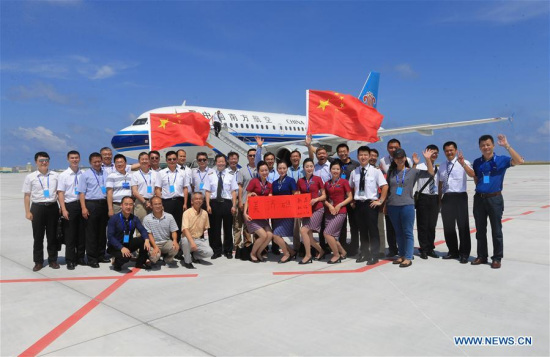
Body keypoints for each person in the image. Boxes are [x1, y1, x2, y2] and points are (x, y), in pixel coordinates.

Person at [471, 134, 523, 269]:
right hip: (479, 199)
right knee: (480, 230)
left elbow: (519, 161)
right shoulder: (477, 162)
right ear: (479, 147)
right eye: (482, 145)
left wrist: (507, 145)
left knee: (496, 230)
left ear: (493, 145)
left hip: (495, 199)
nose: (485, 147)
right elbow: (477, 178)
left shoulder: (501, 160)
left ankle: (497, 258)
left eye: (488, 144)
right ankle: (482, 256)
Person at [386, 148, 435, 268]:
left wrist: (427, 159)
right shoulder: (391, 172)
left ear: (404, 158)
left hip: (407, 205)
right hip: (392, 206)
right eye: (397, 158)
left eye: (401, 157)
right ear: (394, 159)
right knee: (398, 232)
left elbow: (430, 173)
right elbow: (388, 189)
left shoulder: (412, 171)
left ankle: (408, 257)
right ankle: (401, 255)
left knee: (407, 232)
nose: (399, 160)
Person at [349, 146, 388, 265]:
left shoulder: (375, 171)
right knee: (362, 231)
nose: (363, 157)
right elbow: (351, 187)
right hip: (359, 205)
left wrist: (380, 201)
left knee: (373, 231)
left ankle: (374, 255)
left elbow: (384, 186)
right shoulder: (354, 172)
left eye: (365, 155)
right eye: (361, 155)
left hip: (370, 204)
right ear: (357, 156)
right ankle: (365, 253)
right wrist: (352, 200)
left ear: (369, 156)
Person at [438, 141, 475, 264]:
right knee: (448, 227)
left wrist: (463, 163)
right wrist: (439, 199)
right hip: (447, 197)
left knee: (462, 226)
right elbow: (440, 183)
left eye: (451, 150)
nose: (449, 152)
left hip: (460, 197)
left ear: (455, 150)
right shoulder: (442, 166)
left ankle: (464, 253)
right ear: (444, 152)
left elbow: (472, 174)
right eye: (447, 151)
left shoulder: (464, 162)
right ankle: (453, 251)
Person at [23, 152, 60, 272]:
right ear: (36, 162)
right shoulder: (30, 177)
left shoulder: (55, 175)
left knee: (52, 235)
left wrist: (61, 207)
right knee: (38, 236)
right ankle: (38, 262)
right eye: (41, 160)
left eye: (46, 160)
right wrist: (27, 211)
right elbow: (27, 195)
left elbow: (59, 193)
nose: (44, 162)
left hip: (52, 207)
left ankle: (53, 260)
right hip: (38, 208)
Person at [379, 138, 413, 258]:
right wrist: (385, 203)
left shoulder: (407, 159)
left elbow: (411, 177)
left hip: (405, 200)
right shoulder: (383, 161)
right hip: (392, 200)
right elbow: (385, 182)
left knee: (406, 230)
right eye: (391, 147)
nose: (393, 150)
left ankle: (408, 254)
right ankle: (394, 250)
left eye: (396, 147)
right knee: (392, 228)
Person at [78, 152, 110, 268]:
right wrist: (83, 208)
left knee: (102, 232)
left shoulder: (105, 173)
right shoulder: (85, 175)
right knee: (91, 233)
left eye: (99, 161)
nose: (97, 164)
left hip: (103, 204)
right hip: (91, 204)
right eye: (94, 162)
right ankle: (92, 258)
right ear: (90, 163)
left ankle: (101, 255)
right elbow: (82, 193)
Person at [204, 154, 238, 259]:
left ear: (226, 162)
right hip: (214, 203)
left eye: (223, 161)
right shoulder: (210, 174)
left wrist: (233, 205)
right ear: (215, 162)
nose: (221, 163)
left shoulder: (231, 174)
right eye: (219, 161)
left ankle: (228, 250)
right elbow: (208, 191)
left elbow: (233, 191)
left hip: (227, 203)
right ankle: (217, 250)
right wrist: (208, 204)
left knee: (227, 228)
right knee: (215, 228)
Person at [57, 150, 85, 270]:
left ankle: (80, 257)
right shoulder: (63, 175)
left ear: (79, 159)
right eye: (72, 158)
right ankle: (70, 259)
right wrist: (63, 209)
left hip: (82, 204)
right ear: (68, 159)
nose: (74, 160)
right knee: (70, 234)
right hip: (70, 206)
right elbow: (60, 193)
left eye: (76, 158)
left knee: (81, 233)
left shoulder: (83, 173)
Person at [107, 196, 151, 271]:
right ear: (121, 205)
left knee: (144, 240)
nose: (128, 207)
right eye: (126, 204)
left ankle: (140, 263)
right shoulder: (114, 219)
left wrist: (147, 239)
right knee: (126, 257)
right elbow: (110, 237)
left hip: (127, 243)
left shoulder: (134, 218)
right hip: (115, 246)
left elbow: (142, 230)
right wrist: (121, 247)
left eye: (130, 204)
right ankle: (117, 264)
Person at [296, 158, 326, 264]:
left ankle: (308, 255)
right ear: (303, 168)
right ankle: (322, 251)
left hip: (317, 209)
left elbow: (324, 195)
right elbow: (297, 196)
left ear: (314, 167)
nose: (309, 168)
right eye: (307, 166)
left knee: (303, 230)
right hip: (305, 210)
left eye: (311, 166)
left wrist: (316, 199)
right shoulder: (300, 181)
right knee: (308, 235)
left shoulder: (318, 179)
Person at [155, 151, 189, 244]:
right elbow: (157, 189)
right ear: (166, 160)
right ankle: (168, 247)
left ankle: (177, 247)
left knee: (179, 224)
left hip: (179, 201)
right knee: (166, 224)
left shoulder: (182, 173)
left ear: (177, 160)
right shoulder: (161, 173)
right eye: (170, 159)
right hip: (166, 202)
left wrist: (185, 203)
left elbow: (185, 188)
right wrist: (160, 203)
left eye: (174, 159)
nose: (172, 161)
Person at [243, 161, 273, 263]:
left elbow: (270, 199)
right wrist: (244, 213)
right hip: (252, 215)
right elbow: (247, 197)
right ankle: (252, 253)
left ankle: (259, 252)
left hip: (262, 215)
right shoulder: (254, 181)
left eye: (266, 170)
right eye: (262, 170)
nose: (264, 172)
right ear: (259, 172)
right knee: (263, 235)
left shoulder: (269, 185)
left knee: (269, 235)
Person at [323, 161, 353, 264]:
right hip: (329, 212)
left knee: (327, 233)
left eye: (337, 169)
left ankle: (336, 255)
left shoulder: (344, 182)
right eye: (333, 169)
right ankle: (343, 252)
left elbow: (350, 197)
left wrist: (340, 205)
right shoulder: (327, 183)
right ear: (330, 170)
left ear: (340, 171)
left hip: (340, 212)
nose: (335, 171)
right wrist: (329, 205)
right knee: (332, 236)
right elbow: (324, 198)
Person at [415, 144, 441, 260]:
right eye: (431, 152)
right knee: (423, 225)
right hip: (423, 198)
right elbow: (429, 172)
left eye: (435, 153)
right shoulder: (420, 166)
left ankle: (430, 248)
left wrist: (439, 200)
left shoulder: (438, 168)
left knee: (432, 225)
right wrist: (422, 161)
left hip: (434, 197)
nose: (433, 155)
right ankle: (423, 249)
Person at [269, 161, 298, 263]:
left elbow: (295, 195)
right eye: (280, 168)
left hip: (288, 213)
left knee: (276, 235)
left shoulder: (291, 180)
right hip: (277, 213)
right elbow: (271, 196)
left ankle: (286, 254)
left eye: (284, 168)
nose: (282, 170)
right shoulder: (275, 183)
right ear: (277, 170)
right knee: (277, 236)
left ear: (287, 169)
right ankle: (291, 252)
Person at [335, 143, 360, 256]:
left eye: (344, 151)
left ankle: (354, 248)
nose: (342, 153)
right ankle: (342, 247)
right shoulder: (336, 163)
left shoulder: (355, 164)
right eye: (340, 152)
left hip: (352, 200)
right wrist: (309, 146)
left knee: (354, 225)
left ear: (348, 151)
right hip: (340, 201)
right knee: (341, 225)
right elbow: (321, 154)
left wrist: (354, 199)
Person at [143, 196, 180, 268]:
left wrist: (175, 241)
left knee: (175, 247)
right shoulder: (147, 219)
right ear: (151, 206)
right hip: (154, 243)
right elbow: (149, 234)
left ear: (162, 205)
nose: (158, 206)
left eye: (159, 204)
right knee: (154, 257)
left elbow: (174, 231)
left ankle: (167, 259)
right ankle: (154, 259)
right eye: (155, 204)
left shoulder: (169, 216)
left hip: (166, 242)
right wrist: (155, 247)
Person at [181, 192, 215, 269]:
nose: (198, 200)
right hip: (187, 238)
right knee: (186, 241)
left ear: (202, 201)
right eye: (196, 199)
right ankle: (187, 261)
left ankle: (195, 256)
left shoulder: (205, 213)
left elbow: (205, 228)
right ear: (192, 201)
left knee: (210, 252)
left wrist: (197, 241)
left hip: (197, 239)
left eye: (200, 199)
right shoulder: (186, 213)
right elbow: (185, 229)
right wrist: (192, 242)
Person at [131, 152, 158, 222]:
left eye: (146, 159)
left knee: (154, 224)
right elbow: (135, 192)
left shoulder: (155, 174)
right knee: (141, 225)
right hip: (140, 202)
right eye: (142, 159)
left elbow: (157, 189)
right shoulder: (135, 175)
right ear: (139, 161)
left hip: (153, 202)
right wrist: (145, 202)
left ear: (149, 160)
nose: (144, 161)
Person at [369, 148, 386, 258]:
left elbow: (384, 188)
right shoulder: (361, 170)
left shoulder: (380, 171)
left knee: (379, 227)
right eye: (371, 155)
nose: (373, 157)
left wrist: (382, 202)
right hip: (366, 202)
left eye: (375, 155)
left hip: (378, 202)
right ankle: (369, 248)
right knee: (368, 228)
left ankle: (381, 250)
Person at [238, 148, 257, 251]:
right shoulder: (242, 170)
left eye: (254, 155)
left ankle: (258, 245)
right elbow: (240, 187)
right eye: (250, 155)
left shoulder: (260, 169)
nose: (252, 157)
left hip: (258, 202)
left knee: (258, 225)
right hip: (246, 201)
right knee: (247, 225)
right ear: (247, 157)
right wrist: (240, 201)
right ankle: (248, 245)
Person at [227, 152, 245, 254]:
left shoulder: (240, 171)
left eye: (235, 159)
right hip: (231, 200)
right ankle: (237, 244)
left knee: (243, 222)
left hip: (241, 199)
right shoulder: (225, 172)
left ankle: (244, 243)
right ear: (228, 160)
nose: (233, 161)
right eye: (231, 159)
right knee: (236, 223)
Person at [288, 150, 304, 255]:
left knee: (307, 225)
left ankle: (307, 245)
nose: (295, 158)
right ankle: (297, 247)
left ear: (300, 157)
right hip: (291, 201)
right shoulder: (287, 169)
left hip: (304, 200)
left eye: (297, 156)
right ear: (290, 158)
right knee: (296, 226)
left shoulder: (304, 169)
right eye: (293, 156)